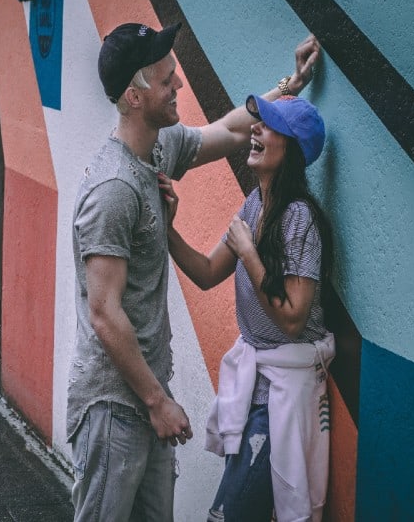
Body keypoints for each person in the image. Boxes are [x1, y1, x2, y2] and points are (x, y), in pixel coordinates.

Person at [68, 20, 320, 522]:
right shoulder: (113, 189)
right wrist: (158, 402)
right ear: (135, 98)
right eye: (167, 80)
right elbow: (104, 314)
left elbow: (229, 130)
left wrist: (289, 90)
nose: (179, 85)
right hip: (116, 405)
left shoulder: (158, 150)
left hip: (146, 397)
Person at [158, 94, 334, 521]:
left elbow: (293, 317)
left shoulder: (299, 218)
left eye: (268, 125)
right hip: (257, 391)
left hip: (283, 397)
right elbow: (205, 272)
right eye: (257, 123)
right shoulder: (255, 204)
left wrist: (250, 254)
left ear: (291, 148)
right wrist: (168, 226)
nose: (255, 129)